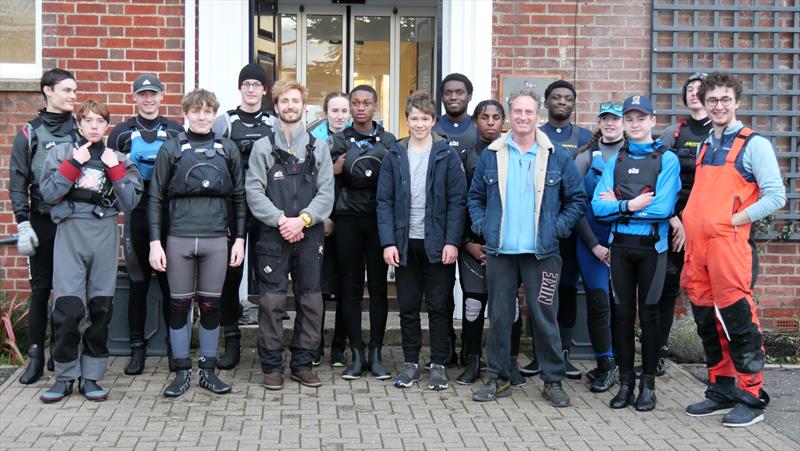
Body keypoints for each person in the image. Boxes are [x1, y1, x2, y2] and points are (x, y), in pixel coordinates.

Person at [468, 88, 585, 404]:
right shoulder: (493, 154)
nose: (523, 117)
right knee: (501, 318)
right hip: (501, 254)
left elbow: (576, 200)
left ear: (539, 115)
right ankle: (499, 377)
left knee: (545, 315)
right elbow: (475, 198)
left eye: (529, 112)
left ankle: (553, 380)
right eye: (517, 112)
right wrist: (483, 226)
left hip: (543, 255)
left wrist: (557, 228)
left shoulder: (556, 155)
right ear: (510, 117)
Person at [682, 72, 785, 427]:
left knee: (738, 321)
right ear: (704, 103)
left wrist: (736, 219)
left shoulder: (754, 144)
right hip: (698, 250)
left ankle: (752, 396)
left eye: (726, 99)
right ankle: (721, 389)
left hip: (728, 247)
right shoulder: (708, 143)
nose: (719, 106)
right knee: (707, 322)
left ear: (737, 103)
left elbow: (776, 195)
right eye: (712, 100)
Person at [39, 100, 143, 402]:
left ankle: (91, 376)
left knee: (100, 308)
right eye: (88, 120)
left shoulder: (120, 157)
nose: (94, 126)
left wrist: (114, 168)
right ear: (79, 124)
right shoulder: (61, 154)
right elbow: (47, 194)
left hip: (105, 234)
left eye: (100, 121)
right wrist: (74, 163)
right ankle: (64, 376)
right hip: (70, 232)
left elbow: (130, 202)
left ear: (106, 125)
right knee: (68, 308)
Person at [148, 89, 246, 397]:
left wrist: (239, 239)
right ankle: (180, 372)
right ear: (186, 114)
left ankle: (207, 371)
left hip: (217, 239)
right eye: (196, 111)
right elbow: (154, 197)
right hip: (178, 238)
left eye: (207, 111)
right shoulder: (172, 148)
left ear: (215, 114)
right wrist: (155, 242)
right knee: (178, 307)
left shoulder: (227, 148)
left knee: (210, 306)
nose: (202, 116)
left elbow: (239, 197)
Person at [591, 95, 680, 412]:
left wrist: (617, 205)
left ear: (653, 121)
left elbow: (663, 208)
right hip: (621, 249)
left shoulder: (666, 159)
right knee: (623, 317)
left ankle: (648, 387)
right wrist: (629, 205)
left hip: (652, 249)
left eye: (641, 118)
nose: (634, 124)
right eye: (629, 119)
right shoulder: (614, 160)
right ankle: (626, 383)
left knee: (651, 318)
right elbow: (598, 208)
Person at [246, 80, 334, 390]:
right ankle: (272, 367)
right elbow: (254, 191)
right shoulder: (263, 147)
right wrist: (282, 220)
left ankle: (302, 363)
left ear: (303, 106)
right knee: (271, 303)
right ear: (277, 106)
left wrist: (304, 220)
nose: (290, 106)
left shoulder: (318, 147)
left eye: (295, 101)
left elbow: (326, 193)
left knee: (311, 300)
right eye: (284, 101)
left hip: (309, 235)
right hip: (273, 234)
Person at [377, 91, 466, 390]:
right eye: (414, 118)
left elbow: (457, 202)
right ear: (406, 120)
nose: (419, 124)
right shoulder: (394, 154)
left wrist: (452, 241)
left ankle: (439, 363)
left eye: (425, 118)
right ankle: (411, 363)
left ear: (433, 120)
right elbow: (384, 201)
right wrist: (388, 242)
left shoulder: (446, 155)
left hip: (437, 243)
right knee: (408, 306)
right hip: (404, 243)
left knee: (439, 305)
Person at [107, 73, 184, 375]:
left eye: (153, 94)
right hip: (136, 215)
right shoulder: (121, 133)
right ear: (135, 97)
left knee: (170, 287)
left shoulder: (175, 130)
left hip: (168, 216)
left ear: (162, 96)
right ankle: (136, 350)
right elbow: (111, 176)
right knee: (138, 285)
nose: (148, 99)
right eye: (143, 94)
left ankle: (172, 350)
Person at [638, 72, 712, 378]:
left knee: (709, 291)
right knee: (666, 288)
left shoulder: (722, 132)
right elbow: (658, 174)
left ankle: (717, 362)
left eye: (700, 89)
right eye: (690, 89)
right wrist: (673, 217)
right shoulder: (674, 133)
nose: (694, 93)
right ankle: (657, 352)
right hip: (674, 222)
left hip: (707, 224)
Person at [9, 68, 79, 385]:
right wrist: (24, 224)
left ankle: (63, 356)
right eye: (67, 90)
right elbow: (17, 182)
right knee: (41, 289)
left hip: (73, 222)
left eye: (74, 90)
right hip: (41, 220)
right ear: (48, 91)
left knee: (71, 291)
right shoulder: (29, 133)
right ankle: (36, 357)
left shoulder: (80, 130)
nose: (73, 96)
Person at [521, 80, 592, 380]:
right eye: (556, 97)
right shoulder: (535, 135)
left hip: (571, 229)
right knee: (540, 294)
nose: (562, 102)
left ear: (574, 104)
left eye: (568, 98)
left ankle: (563, 353)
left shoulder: (586, 137)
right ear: (546, 103)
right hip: (540, 231)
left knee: (564, 289)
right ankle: (540, 354)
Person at [211, 63, 276, 370]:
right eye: (246, 84)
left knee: (267, 274)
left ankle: (268, 343)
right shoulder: (225, 121)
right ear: (240, 88)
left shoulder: (274, 123)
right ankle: (232, 342)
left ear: (265, 90)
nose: (251, 89)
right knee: (230, 275)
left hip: (265, 207)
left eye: (257, 85)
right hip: (233, 208)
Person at [329, 85, 396, 380]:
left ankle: (376, 353)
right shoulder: (338, 140)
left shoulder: (389, 140)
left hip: (379, 221)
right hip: (347, 220)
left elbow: (396, 183)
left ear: (376, 105)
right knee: (350, 288)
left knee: (379, 288)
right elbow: (325, 182)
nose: (360, 108)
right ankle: (355, 353)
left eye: (366, 103)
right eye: (355, 103)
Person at [573, 102, 626, 392]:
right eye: (605, 119)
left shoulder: (635, 155)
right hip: (590, 241)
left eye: (615, 119)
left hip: (625, 241)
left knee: (621, 304)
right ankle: (604, 363)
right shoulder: (585, 156)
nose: (610, 124)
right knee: (598, 303)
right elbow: (575, 204)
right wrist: (593, 245)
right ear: (599, 122)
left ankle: (620, 361)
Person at [455, 99, 503, 385]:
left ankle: (507, 362)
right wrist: (465, 242)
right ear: (476, 121)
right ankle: (471, 360)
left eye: (496, 117)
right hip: (472, 243)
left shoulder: (513, 154)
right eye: (485, 117)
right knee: (473, 304)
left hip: (506, 245)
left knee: (505, 307)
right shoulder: (463, 157)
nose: (490, 122)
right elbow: (457, 202)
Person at [431, 73, 476, 367]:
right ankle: (445, 347)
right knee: (442, 293)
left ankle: (472, 352)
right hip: (441, 225)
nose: (454, 97)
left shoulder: (478, 129)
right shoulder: (432, 127)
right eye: (448, 92)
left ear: (469, 95)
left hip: (473, 225)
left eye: (460, 92)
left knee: (473, 292)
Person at [310, 91, 350, 368]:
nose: (339, 115)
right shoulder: (313, 140)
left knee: (347, 286)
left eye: (343, 110)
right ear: (326, 112)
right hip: (319, 221)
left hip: (348, 220)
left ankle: (339, 346)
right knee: (317, 287)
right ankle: (315, 345)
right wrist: (321, 217)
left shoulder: (358, 138)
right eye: (334, 110)